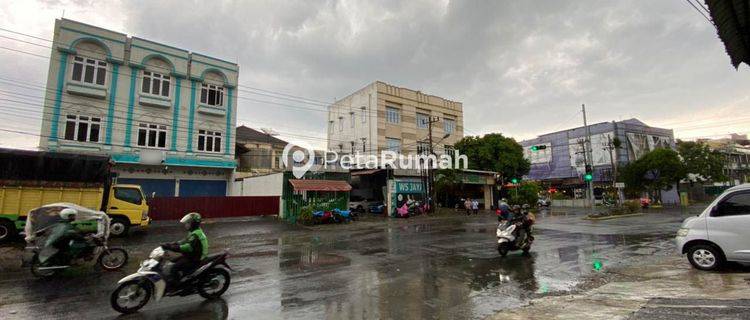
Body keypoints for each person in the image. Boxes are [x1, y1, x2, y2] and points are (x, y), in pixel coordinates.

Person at [161, 212, 208, 284]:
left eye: (188, 223)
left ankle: (177, 285)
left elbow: (188, 247)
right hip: (192, 255)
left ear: (193, 224)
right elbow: (184, 241)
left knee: (174, 268)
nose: (186, 225)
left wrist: (172, 248)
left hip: (196, 258)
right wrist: (170, 244)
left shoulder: (196, 234)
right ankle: (182, 276)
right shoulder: (194, 231)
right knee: (173, 260)